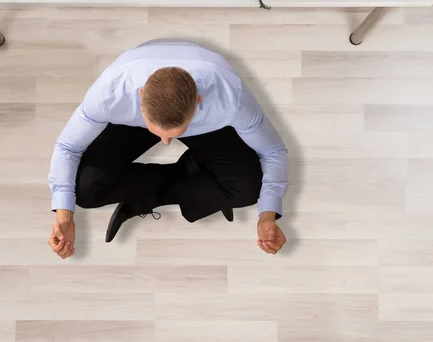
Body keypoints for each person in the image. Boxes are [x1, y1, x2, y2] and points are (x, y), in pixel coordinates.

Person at [47, 39, 288, 259]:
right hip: (133, 120)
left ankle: (147, 192)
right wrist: (64, 217)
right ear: (140, 96)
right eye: (159, 133)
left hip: (206, 121)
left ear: (198, 103)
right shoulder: (109, 93)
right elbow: (68, 147)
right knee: (84, 190)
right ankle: (192, 172)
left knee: (249, 188)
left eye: (174, 135)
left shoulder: (230, 98)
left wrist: (267, 214)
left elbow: (273, 151)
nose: (165, 142)